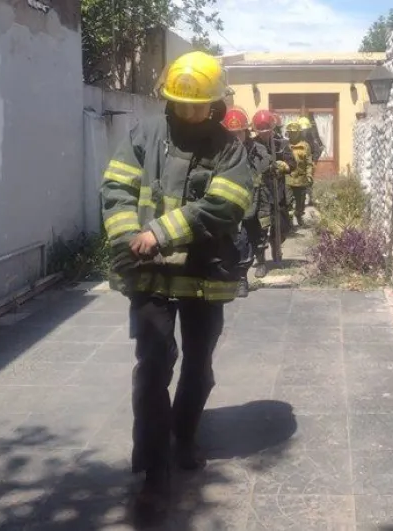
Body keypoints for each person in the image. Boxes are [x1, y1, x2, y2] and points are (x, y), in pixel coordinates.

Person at [99, 50, 254, 522]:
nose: (191, 113)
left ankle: (184, 436)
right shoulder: (145, 136)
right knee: (152, 368)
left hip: (205, 275)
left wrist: (161, 233)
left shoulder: (230, 148)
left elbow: (227, 205)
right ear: (168, 100)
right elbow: (116, 190)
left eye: (200, 105)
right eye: (183, 105)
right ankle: (153, 472)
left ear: (216, 103)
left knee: (198, 365)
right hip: (150, 275)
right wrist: (130, 238)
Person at [221, 106, 271, 297]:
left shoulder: (257, 149)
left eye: (239, 133)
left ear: (245, 131)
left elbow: (266, 166)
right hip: (231, 204)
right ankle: (238, 277)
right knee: (237, 241)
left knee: (254, 240)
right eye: (231, 133)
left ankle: (244, 273)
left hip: (256, 202)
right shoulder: (220, 150)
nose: (235, 137)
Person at [251, 110, 297, 268]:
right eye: (260, 131)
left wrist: (283, 166)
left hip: (280, 192)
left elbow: (293, 164)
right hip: (261, 193)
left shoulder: (281, 143)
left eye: (267, 130)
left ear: (272, 128)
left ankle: (276, 249)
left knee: (283, 227)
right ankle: (261, 262)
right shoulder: (251, 145)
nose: (264, 134)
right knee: (260, 229)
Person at [284, 121, 313, 227]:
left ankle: (299, 215)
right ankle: (289, 220)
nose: (292, 134)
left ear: (299, 133)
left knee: (300, 202)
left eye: (294, 132)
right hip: (288, 178)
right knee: (288, 201)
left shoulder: (305, 146)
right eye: (290, 133)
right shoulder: (284, 145)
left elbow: (309, 163)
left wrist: (309, 175)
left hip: (301, 178)